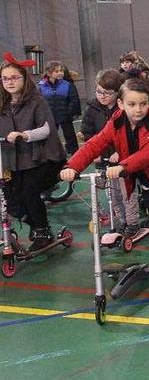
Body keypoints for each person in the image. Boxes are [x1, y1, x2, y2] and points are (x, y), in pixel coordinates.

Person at [62, 78, 149, 275]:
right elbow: (95, 144)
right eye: (132, 104)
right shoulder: (116, 122)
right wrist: (73, 166)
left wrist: (122, 166)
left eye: (143, 104)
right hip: (141, 177)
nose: (138, 109)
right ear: (120, 104)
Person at [0, 59, 67, 251]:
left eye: (14, 78)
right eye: (5, 79)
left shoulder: (36, 101)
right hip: (14, 161)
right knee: (10, 198)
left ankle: (42, 231)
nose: (10, 82)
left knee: (29, 190)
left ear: (24, 79)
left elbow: (46, 129)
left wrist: (24, 134)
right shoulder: (3, 105)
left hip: (44, 159)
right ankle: (37, 224)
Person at [80, 69, 143, 239]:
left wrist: (119, 151)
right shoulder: (92, 108)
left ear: (117, 93)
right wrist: (95, 152)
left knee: (127, 193)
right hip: (104, 160)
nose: (102, 96)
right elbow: (87, 132)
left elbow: (132, 133)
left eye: (107, 93)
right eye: (99, 91)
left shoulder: (124, 109)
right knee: (112, 195)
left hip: (123, 160)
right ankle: (121, 221)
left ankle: (133, 223)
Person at [38, 60, 80, 154]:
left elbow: (74, 99)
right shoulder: (41, 86)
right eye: (56, 71)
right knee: (51, 134)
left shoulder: (67, 84)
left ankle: (73, 151)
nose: (60, 73)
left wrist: (70, 112)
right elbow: (39, 102)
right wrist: (43, 114)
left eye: (61, 71)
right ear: (49, 73)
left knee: (70, 134)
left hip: (65, 115)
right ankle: (52, 151)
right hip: (50, 116)